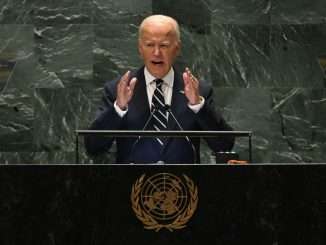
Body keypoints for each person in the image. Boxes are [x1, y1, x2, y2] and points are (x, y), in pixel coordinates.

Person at [85, 14, 234, 164]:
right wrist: (118, 108)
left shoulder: (199, 91)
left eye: (163, 45)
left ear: (177, 48)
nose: (156, 53)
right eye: (150, 45)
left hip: (184, 185)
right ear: (140, 48)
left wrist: (198, 106)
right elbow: (93, 147)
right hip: (132, 184)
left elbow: (225, 145)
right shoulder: (117, 90)